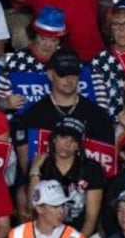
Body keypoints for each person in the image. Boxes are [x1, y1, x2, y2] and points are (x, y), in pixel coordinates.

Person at [13, 48, 114, 178]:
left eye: (73, 74)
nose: (69, 80)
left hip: (87, 186)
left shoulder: (98, 116)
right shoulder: (32, 116)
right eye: (62, 74)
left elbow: (108, 165)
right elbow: (27, 168)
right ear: (50, 75)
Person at [27, 117, 105, 238]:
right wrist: (35, 170)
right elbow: (31, 207)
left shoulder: (92, 168)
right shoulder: (42, 165)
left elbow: (91, 219)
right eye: (63, 137)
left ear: (79, 146)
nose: (67, 144)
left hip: (82, 235)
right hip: (45, 235)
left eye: (73, 140)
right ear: (54, 139)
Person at [0, 6, 67, 110]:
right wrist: (5, 103)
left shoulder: (67, 60)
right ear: (34, 36)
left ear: (60, 41)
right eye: (43, 39)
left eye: (53, 41)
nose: (47, 45)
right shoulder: (17, 61)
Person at [91, 0, 125, 120]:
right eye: (116, 24)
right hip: (110, 122)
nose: (121, 29)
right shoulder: (99, 60)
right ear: (110, 29)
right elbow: (97, 99)